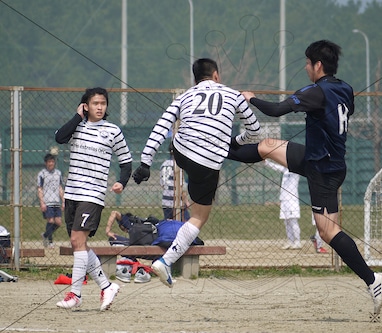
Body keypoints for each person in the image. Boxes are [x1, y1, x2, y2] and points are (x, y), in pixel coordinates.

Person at [228, 40, 382, 315]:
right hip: (324, 161)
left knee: (327, 232)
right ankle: (219, 148)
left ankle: (373, 280)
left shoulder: (316, 92)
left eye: (307, 63)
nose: (305, 68)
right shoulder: (346, 89)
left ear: (318, 65)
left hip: (322, 170)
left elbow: (277, 110)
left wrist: (249, 98)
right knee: (267, 147)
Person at [132, 58, 261, 288]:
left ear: (195, 79)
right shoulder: (233, 95)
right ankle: (166, 261)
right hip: (208, 163)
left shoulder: (184, 96)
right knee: (199, 216)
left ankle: (166, 262)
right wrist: (234, 142)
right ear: (216, 76)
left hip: (182, 152)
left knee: (189, 148)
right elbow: (255, 131)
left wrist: (145, 162)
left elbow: (162, 125)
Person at [54, 87, 133, 310]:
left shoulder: (112, 131)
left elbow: (126, 162)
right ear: (86, 106)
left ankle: (75, 294)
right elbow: (60, 138)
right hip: (72, 193)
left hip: (93, 194)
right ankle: (107, 287)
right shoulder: (75, 127)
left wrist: (122, 182)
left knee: (78, 239)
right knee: (78, 243)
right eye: (95, 103)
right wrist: (77, 116)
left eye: (103, 103)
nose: (100, 107)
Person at [264, 160, 302, 250]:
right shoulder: (285, 170)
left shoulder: (296, 171)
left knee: (293, 221)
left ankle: (298, 241)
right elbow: (276, 167)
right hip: (284, 200)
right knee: (286, 221)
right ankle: (290, 241)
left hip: (292, 200)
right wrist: (266, 162)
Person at [37, 153, 65, 248]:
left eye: (52, 161)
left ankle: (45, 235)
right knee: (51, 220)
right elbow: (40, 188)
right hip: (47, 201)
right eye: (49, 161)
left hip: (56, 201)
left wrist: (63, 201)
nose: (51, 163)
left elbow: (60, 187)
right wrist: (42, 202)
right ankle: (50, 241)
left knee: (58, 222)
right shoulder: (42, 174)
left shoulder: (58, 173)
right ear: (46, 163)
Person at [160, 142, 191, 221]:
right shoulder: (178, 166)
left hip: (166, 201)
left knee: (169, 224)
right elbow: (180, 186)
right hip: (177, 201)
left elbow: (162, 184)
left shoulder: (164, 164)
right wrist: (186, 201)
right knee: (185, 223)